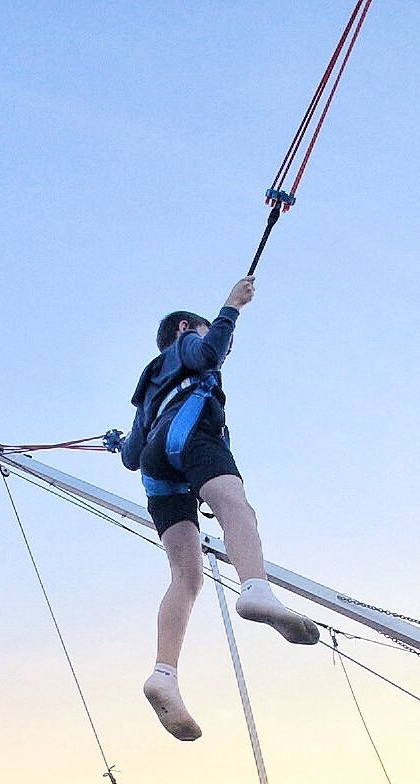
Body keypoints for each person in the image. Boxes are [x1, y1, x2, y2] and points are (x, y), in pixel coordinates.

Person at [127, 275, 319, 740]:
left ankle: (164, 674)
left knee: (186, 576)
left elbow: (132, 455)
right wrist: (232, 307)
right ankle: (254, 587)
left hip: (156, 466)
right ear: (183, 329)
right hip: (188, 433)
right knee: (235, 506)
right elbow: (209, 352)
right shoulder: (186, 343)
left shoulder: (146, 386)